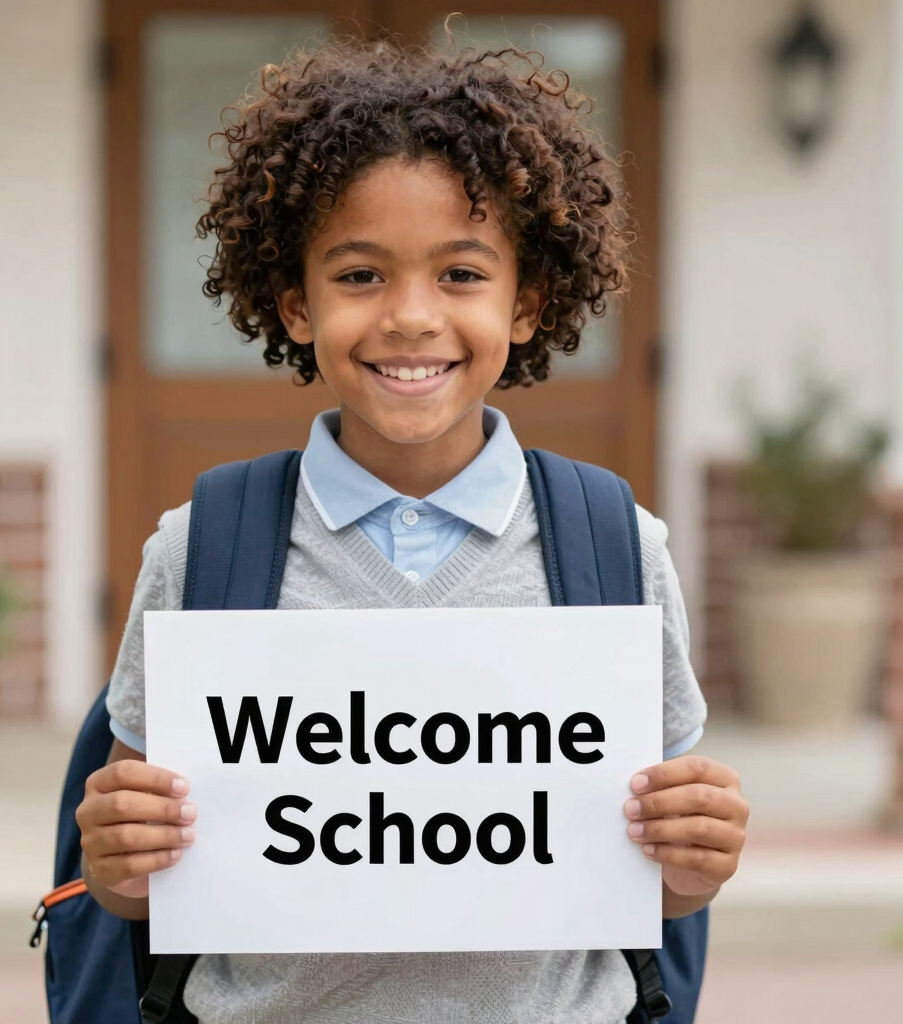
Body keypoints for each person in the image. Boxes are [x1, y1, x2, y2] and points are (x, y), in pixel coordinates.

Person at [76, 35, 749, 1024]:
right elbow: (142, 888)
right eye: (358, 276)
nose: (409, 316)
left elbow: (651, 885)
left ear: (527, 300)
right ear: (293, 303)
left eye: (460, 274)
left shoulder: (613, 545)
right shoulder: (203, 547)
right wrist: (115, 858)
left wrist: (699, 860)